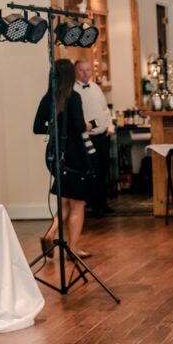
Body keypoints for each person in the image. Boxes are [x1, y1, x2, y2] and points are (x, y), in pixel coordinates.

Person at [32, 59, 93, 260]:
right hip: (74, 156)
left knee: (65, 200)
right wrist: (86, 125)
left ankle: (50, 235)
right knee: (78, 204)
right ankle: (73, 250)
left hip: (53, 155)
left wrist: (55, 128)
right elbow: (79, 127)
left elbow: (37, 128)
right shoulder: (73, 97)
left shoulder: (47, 98)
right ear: (70, 76)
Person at [72, 60, 113, 216]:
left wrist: (110, 126)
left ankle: (103, 203)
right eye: (82, 70)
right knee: (91, 172)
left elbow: (105, 110)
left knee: (103, 170)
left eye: (88, 70)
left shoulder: (96, 87)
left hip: (103, 135)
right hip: (86, 137)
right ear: (76, 71)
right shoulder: (73, 91)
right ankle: (94, 206)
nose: (85, 73)